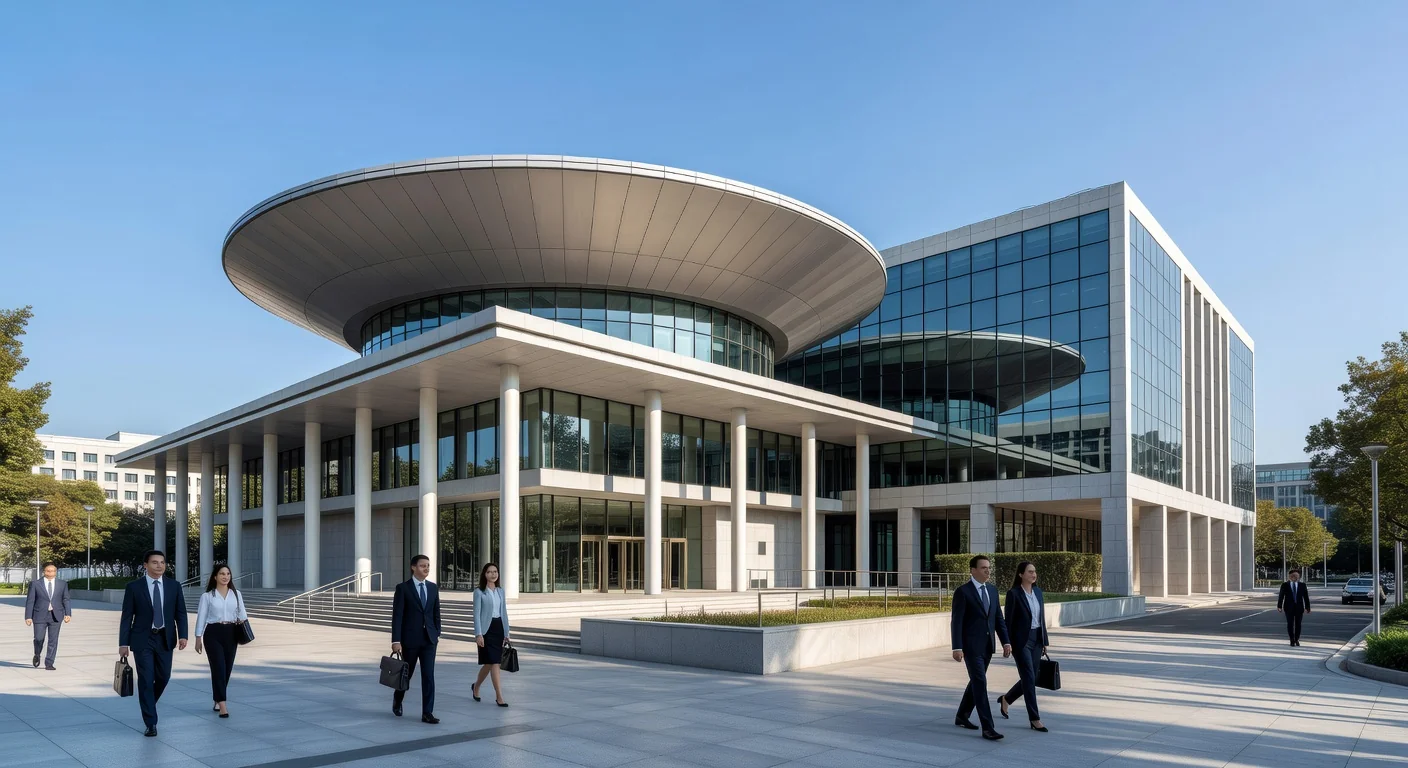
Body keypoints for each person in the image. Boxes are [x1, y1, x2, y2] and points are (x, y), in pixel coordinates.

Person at [118, 550, 188, 737]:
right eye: (155, 562)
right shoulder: (134, 587)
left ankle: (148, 703)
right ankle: (151, 722)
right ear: (145, 565)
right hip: (143, 639)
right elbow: (126, 617)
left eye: (162, 562)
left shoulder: (174, 586)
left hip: (166, 638)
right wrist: (123, 643)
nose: (160, 566)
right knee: (146, 680)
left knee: (164, 677)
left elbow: (180, 612)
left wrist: (183, 635)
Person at [951, 554, 1011, 741]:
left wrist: (1006, 641)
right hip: (970, 647)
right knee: (980, 683)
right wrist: (957, 647)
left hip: (987, 646)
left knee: (977, 682)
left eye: (989, 567)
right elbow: (957, 622)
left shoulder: (992, 591)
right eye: (984, 567)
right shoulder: (963, 592)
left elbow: (998, 620)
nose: (988, 570)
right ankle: (988, 727)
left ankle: (962, 715)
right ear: (973, 570)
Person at [998, 561, 1049, 732]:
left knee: (1031, 678)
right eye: (1030, 572)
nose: (1033, 574)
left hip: (1037, 639)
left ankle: (1007, 699)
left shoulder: (1038, 592)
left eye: (1034, 571)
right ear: (1021, 574)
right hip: (1021, 642)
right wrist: (1007, 643)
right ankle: (1035, 718)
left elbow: (1042, 619)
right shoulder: (1014, 594)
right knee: (1028, 677)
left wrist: (1044, 641)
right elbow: (1008, 622)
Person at [391, 554, 442, 723]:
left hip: (429, 640)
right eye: (422, 566)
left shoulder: (433, 588)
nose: (426, 568)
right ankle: (398, 699)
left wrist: (437, 633)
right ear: (413, 567)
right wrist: (396, 640)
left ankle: (427, 713)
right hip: (410, 640)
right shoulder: (403, 588)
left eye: (428, 565)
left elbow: (436, 613)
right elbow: (397, 616)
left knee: (429, 676)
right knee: (407, 675)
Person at [195, 564, 247, 718]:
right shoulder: (207, 596)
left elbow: (243, 614)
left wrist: (241, 620)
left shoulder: (236, 594)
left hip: (231, 632)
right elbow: (202, 617)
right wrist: (198, 637)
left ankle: (217, 698)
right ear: (215, 577)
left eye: (228, 574)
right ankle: (223, 704)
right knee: (218, 667)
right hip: (213, 633)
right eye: (222, 574)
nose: (225, 577)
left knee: (227, 668)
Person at [472, 562, 512, 708]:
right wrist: (478, 634)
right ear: (484, 574)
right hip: (486, 630)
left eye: (495, 571)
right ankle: (499, 696)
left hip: (499, 628)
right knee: (492, 662)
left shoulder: (501, 591)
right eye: (489, 572)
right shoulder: (479, 592)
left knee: (492, 662)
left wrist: (506, 632)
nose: (493, 574)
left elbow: (504, 612)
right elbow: (476, 614)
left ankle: (476, 686)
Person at [24, 562, 71, 670]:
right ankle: (37, 653)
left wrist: (68, 613)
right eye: (49, 571)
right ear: (44, 571)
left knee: (53, 640)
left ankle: (49, 663)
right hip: (39, 615)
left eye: (53, 571)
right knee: (39, 638)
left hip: (56, 615)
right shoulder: (35, 584)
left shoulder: (62, 584)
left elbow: (66, 599)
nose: (51, 573)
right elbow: (30, 601)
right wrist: (28, 616)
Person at [1278, 568, 1311, 646]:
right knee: (1290, 624)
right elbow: (1281, 596)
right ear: (1289, 576)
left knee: (1298, 624)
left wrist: (1307, 607)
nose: (1294, 577)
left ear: (1299, 576)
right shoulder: (1285, 585)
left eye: (1296, 575)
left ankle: (1297, 639)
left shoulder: (1302, 585)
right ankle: (1291, 639)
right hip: (1288, 607)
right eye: (1292, 575)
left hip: (1299, 608)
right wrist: (1279, 606)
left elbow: (1306, 597)